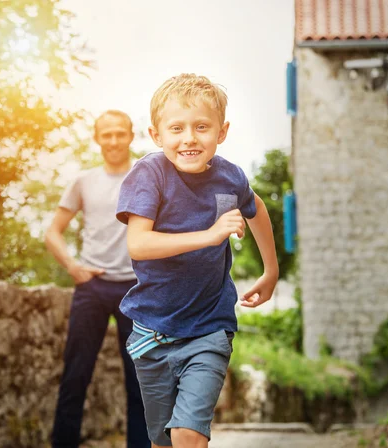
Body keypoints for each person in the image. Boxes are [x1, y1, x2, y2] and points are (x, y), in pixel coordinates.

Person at [116, 74, 279, 448]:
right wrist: (209, 235)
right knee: (161, 442)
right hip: (152, 333)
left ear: (221, 132)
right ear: (156, 135)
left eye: (201, 127)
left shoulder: (230, 177)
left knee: (188, 435)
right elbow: (138, 244)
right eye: (176, 128)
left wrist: (271, 270)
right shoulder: (149, 174)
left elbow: (257, 209)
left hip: (209, 328)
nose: (189, 138)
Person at [45, 110, 150, 448]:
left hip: (136, 290)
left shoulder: (148, 176)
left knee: (139, 381)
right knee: (76, 375)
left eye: (121, 133)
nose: (114, 140)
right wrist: (73, 267)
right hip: (92, 286)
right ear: (97, 138)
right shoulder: (83, 181)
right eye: (107, 134)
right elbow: (52, 233)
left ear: (131, 136)